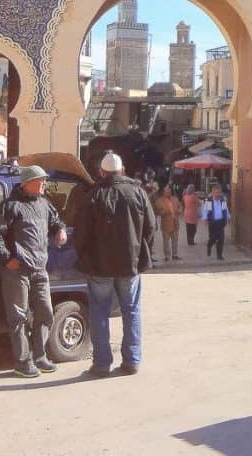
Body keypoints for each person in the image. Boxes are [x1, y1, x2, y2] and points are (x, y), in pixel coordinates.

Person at [73, 151, 156, 377]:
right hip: (130, 265)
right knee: (131, 311)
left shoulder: (93, 196)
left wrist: (84, 256)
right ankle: (132, 361)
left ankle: (101, 365)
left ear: (101, 172)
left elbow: (80, 233)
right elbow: (150, 228)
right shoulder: (138, 193)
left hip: (99, 267)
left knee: (99, 312)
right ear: (123, 171)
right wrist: (140, 253)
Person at [0, 165, 67, 378]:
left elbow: (55, 220)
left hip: (40, 269)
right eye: (40, 180)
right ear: (27, 183)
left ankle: (40, 357)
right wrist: (7, 259)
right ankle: (22, 362)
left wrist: (60, 229)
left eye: (44, 180)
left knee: (46, 312)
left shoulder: (44, 204)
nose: (44, 184)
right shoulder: (10, 206)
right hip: (17, 271)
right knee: (18, 317)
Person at [201, 183, 231, 260]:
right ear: (213, 192)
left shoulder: (222, 200)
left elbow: (225, 209)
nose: (217, 194)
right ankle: (209, 245)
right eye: (216, 192)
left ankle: (219, 255)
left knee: (221, 239)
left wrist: (228, 217)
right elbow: (205, 210)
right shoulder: (209, 201)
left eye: (219, 192)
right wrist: (204, 219)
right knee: (213, 238)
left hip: (221, 222)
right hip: (212, 222)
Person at [153, 184, 181, 261]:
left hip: (175, 223)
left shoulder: (175, 199)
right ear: (163, 192)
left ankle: (175, 254)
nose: (168, 192)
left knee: (175, 240)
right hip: (166, 223)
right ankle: (167, 256)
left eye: (169, 190)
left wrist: (179, 211)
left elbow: (180, 207)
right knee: (166, 241)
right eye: (167, 190)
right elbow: (158, 211)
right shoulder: (159, 201)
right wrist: (165, 211)